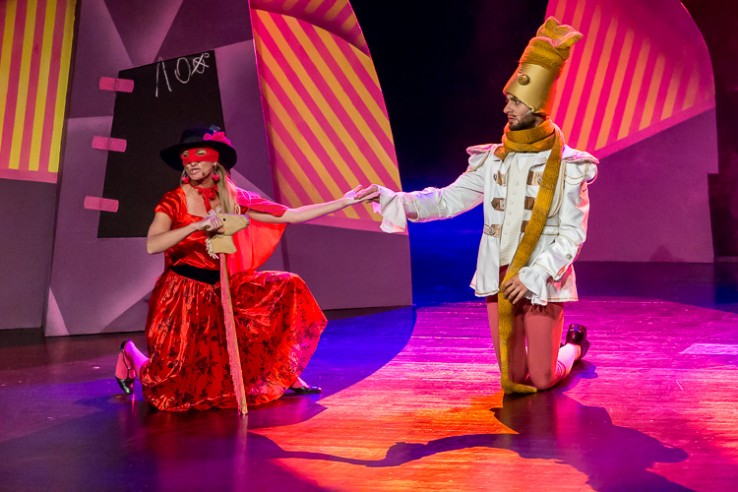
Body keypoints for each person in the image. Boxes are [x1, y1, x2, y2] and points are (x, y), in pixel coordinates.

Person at [357, 18, 598, 394]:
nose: (506, 108)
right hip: (499, 277)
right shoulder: (493, 159)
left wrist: (534, 274)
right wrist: (392, 199)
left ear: (537, 105)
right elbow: (446, 199)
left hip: (541, 278)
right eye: (508, 99)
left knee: (542, 378)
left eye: (515, 101)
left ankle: (573, 347)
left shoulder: (569, 166)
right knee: (513, 380)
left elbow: (571, 234)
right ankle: (549, 351)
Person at [114, 126, 377, 411]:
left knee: (286, 288)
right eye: (186, 158)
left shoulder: (233, 198)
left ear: (215, 161)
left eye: (199, 156)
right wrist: (197, 226)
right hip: (181, 297)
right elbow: (153, 244)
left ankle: (279, 374)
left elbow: (289, 215)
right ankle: (130, 354)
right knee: (170, 388)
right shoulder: (174, 201)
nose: (191, 163)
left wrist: (343, 202)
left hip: (223, 289)